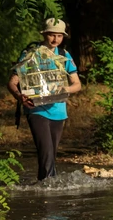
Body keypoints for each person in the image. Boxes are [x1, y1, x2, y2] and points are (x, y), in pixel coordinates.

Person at [7, 18, 81, 181]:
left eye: (59, 36)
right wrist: (20, 97)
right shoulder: (30, 54)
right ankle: (50, 192)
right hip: (36, 109)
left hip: (59, 111)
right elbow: (12, 83)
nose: (55, 39)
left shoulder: (64, 55)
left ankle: (44, 193)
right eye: (51, 35)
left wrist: (65, 89)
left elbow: (77, 84)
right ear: (44, 34)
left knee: (50, 157)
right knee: (46, 153)